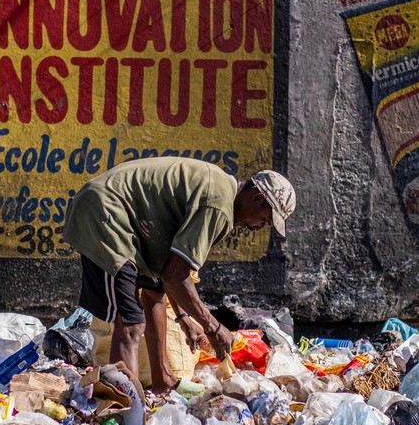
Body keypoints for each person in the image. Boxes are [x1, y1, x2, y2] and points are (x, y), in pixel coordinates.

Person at [62, 157, 296, 396]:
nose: (257, 228)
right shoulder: (218, 205)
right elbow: (176, 275)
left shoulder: (219, 192)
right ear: (257, 199)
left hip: (127, 223)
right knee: (131, 323)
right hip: (105, 214)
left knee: (154, 296)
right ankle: (126, 408)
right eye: (264, 220)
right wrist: (213, 327)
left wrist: (184, 316)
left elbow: (165, 277)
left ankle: (162, 380)